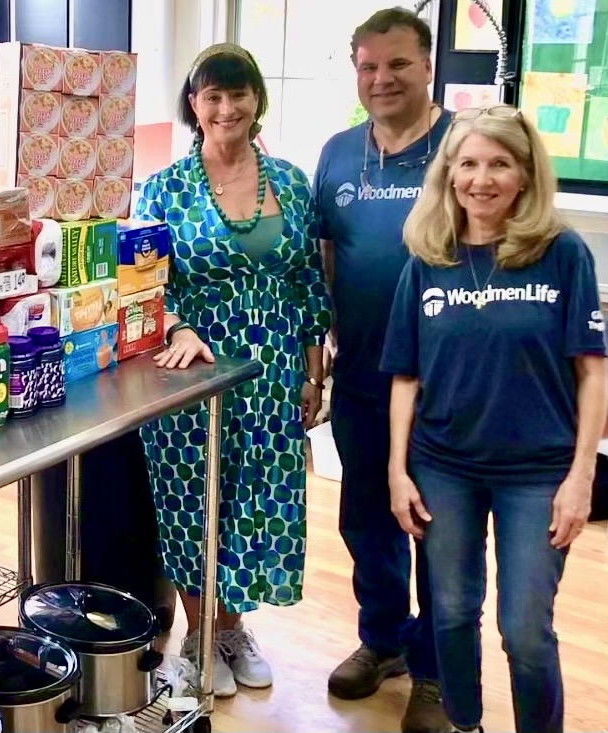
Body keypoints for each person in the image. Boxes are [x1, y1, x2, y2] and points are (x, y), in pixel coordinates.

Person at [381, 104, 607, 733]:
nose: (482, 179)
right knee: (451, 613)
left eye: (500, 164)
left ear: (526, 174)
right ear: (449, 174)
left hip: (538, 471)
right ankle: (465, 724)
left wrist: (582, 477)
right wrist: (398, 471)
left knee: (525, 629)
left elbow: (593, 371)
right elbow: (406, 375)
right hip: (443, 466)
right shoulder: (428, 257)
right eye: (469, 163)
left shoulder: (562, 254)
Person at [133, 42, 331, 697]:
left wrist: (312, 370)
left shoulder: (293, 184)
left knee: (250, 502)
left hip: (272, 372)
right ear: (193, 104)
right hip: (191, 372)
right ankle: (195, 635)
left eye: (237, 93)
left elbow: (306, 279)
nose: (226, 106)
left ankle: (229, 628)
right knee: (194, 504)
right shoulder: (161, 189)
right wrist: (180, 326)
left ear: (255, 101)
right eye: (211, 94)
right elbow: (144, 282)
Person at [313, 8, 450, 731]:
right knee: (366, 518)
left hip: (449, 387)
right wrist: (328, 344)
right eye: (368, 65)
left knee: (439, 527)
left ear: (427, 65)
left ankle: (436, 669)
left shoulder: (466, 144)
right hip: (364, 374)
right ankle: (383, 640)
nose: (381, 78)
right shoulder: (337, 154)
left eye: (397, 64)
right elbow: (330, 256)